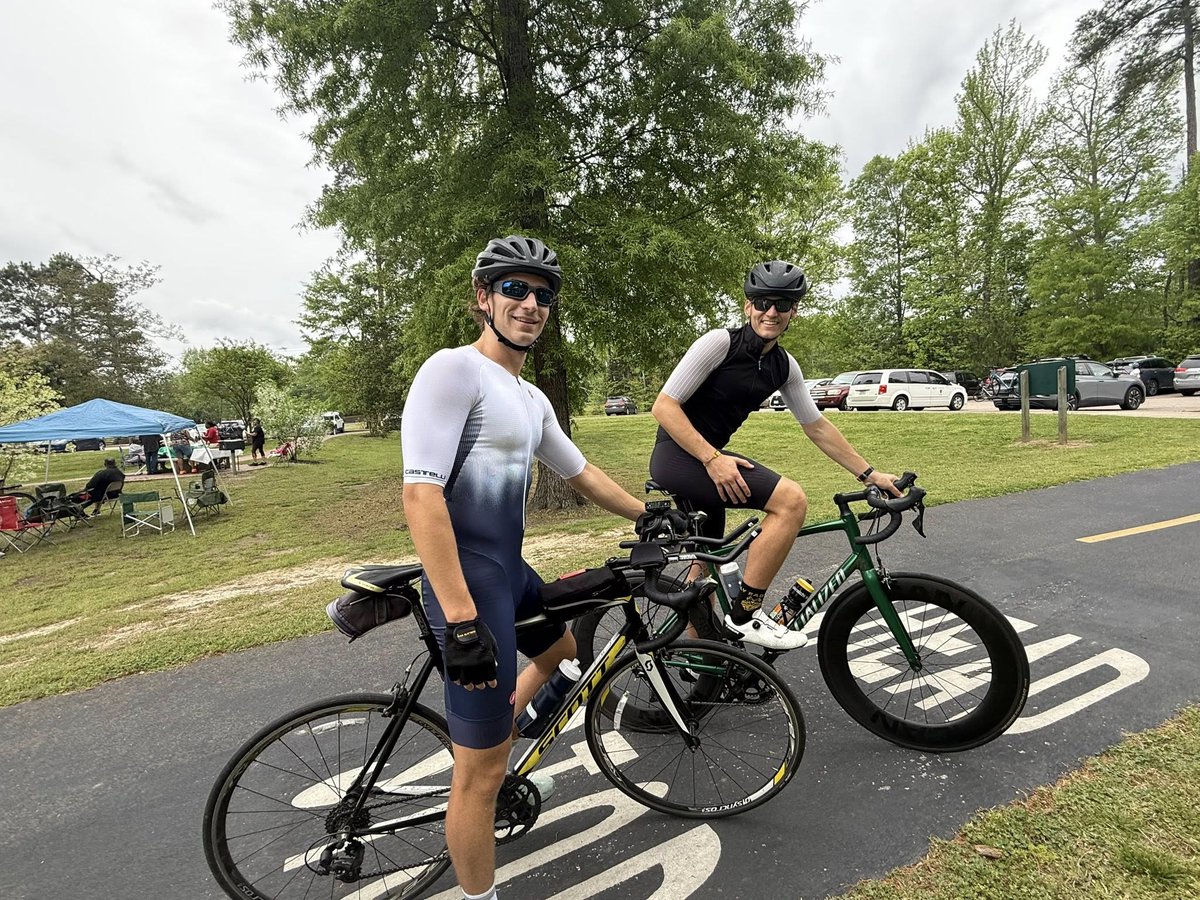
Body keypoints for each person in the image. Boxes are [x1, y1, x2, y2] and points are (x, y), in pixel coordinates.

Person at [401, 235, 650, 900]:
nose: (531, 303)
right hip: (467, 588)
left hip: (508, 571)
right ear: (483, 299)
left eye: (543, 294)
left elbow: (582, 472)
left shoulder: (531, 398)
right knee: (481, 777)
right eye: (514, 288)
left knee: (565, 646)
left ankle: (505, 717)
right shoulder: (454, 371)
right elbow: (421, 493)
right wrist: (459, 619)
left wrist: (646, 515)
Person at [650, 259, 901, 650]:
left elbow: (816, 426)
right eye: (763, 301)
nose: (771, 311)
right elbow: (664, 406)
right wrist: (712, 459)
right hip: (679, 456)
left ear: (793, 311)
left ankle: (707, 667)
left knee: (703, 574)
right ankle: (747, 615)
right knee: (791, 500)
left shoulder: (784, 366)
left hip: (709, 457)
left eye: (782, 304)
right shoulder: (719, 343)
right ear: (748, 305)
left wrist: (870, 474)